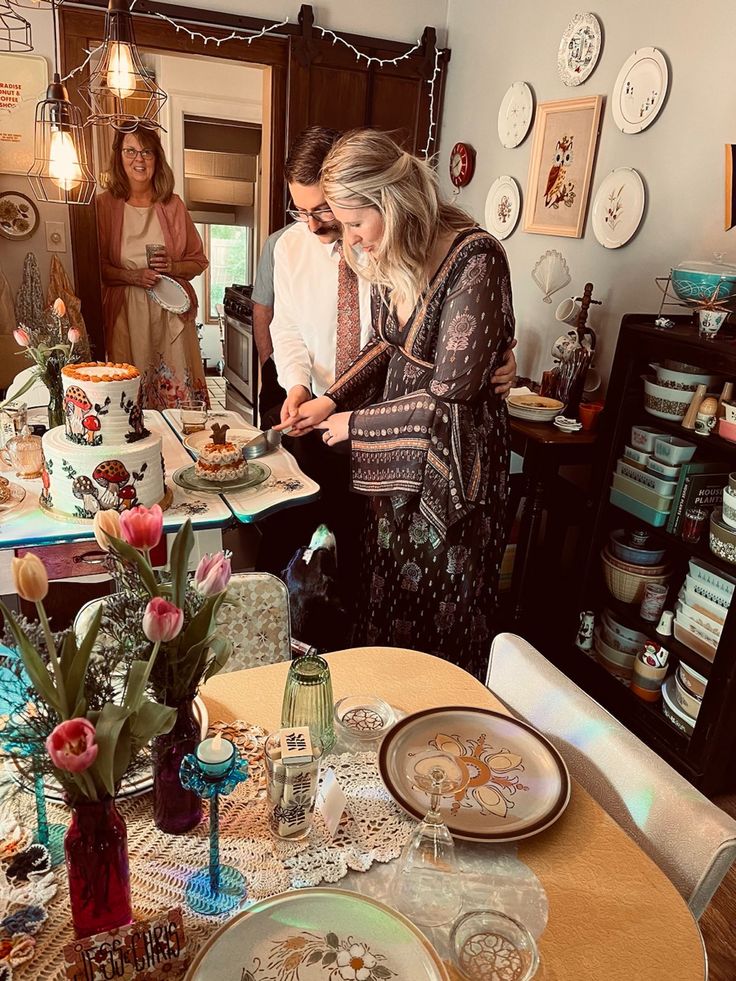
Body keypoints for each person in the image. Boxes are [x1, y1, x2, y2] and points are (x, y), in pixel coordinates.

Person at [291, 129, 516, 678]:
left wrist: (355, 424)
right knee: (387, 603)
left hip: (452, 481)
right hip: (399, 478)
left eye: (355, 222)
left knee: (441, 624)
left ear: (392, 203)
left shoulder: (476, 259)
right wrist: (329, 399)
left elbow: (451, 399)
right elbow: (388, 345)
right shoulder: (399, 252)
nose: (351, 239)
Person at [97, 126, 209, 409]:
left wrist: (173, 265)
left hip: (169, 315)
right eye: (130, 151)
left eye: (146, 151)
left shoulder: (173, 205)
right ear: (119, 157)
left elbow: (198, 261)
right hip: (126, 316)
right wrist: (131, 276)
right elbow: (96, 267)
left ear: (157, 157)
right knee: (130, 399)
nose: (139, 159)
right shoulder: (104, 205)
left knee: (178, 403)